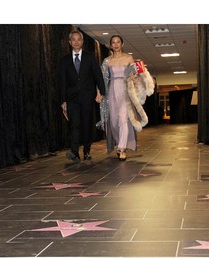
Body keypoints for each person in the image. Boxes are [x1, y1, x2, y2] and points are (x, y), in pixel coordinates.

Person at [98, 34, 154, 161]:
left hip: (125, 90)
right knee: (113, 122)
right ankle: (119, 143)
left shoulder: (129, 58)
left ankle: (122, 148)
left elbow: (136, 73)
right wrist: (98, 93)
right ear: (111, 45)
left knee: (123, 119)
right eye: (113, 42)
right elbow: (101, 79)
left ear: (122, 44)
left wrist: (138, 79)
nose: (116, 44)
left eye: (118, 42)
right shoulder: (107, 60)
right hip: (111, 90)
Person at [60, 30, 105, 162]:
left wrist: (101, 92)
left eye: (78, 39)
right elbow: (62, 81)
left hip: (88, 97)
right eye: (73, 39)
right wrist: (63, 100)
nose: (76, 41)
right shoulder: (64, 61)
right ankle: (74, 152)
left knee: (86, 125)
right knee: (74, 125)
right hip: (72, 98)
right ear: (69, 42)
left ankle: (86, 151)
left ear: (82, 41)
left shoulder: (90, 57)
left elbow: (98, 76)